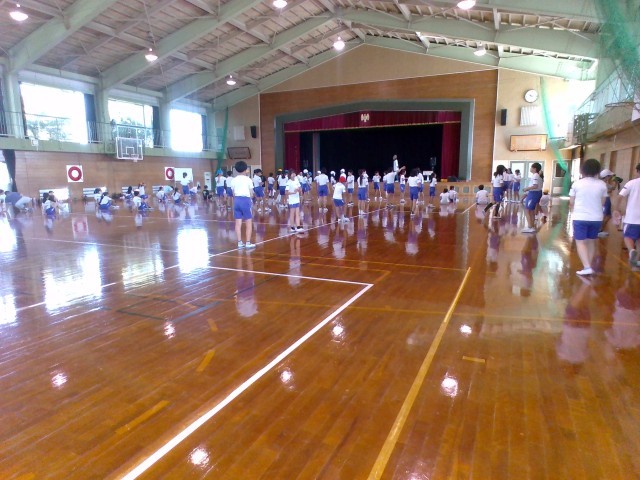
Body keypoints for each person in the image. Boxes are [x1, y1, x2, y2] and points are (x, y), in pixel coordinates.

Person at [569, 158, 607, 276]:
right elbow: (603, 202)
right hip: (596, 218)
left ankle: (587, 267)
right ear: (598, 170)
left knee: (580, 242)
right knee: (591, 241)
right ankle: (588, 266)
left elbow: (571, 202)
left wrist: (572, 211)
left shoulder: (577, 184)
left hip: (580, 217)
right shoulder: (602, 184)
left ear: (583, 170)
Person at [614, 162, 640, 267]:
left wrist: (616, 209)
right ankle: (636, 261)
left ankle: (631, 250)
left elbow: (620, 196)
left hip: (632, 217)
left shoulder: (631, 183)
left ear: (637, 171)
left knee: (628, 236)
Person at [231, 161, 256, 249]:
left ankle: (239, 242)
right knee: (248, 222)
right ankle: (248, 242)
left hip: (236, 200)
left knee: (238, 223)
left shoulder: (233, 180)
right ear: (246, 169)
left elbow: (233, 193)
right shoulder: (248, 180)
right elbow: (251, 193)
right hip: (245, 200)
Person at [522, 162, 543, 234]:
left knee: (527, 210)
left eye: (531, 167)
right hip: (535, 193)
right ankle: (531, 226)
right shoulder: (536, 175)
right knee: (531, 210)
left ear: (534, 168)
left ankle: (530, 227)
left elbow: (535, 186)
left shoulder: (535, 176)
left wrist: (526, 189)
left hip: (534, 194)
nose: (530, 168)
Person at [598, 169, 616, 237]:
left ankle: (600, 229)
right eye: (610, 176)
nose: (611, 178)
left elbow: (612, 188)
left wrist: (615, 183)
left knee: (607, 215)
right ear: (606, 176)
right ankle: (599, 230)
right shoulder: (602, 184)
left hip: (606, 199)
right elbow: (607, 190)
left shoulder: (604, 183)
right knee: (605, 215)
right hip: (605, 200)